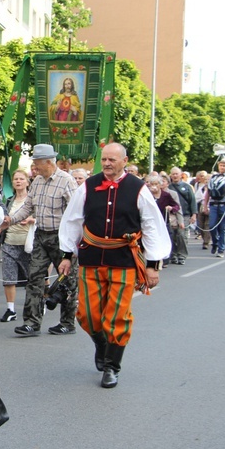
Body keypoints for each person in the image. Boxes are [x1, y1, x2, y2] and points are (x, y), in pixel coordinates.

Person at [58, 143, 170, 388]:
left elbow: (152, 226)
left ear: (124, 161)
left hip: (124, 261)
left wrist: (152, 264)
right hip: (91, 259)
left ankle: (111, 366)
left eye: (112, 160)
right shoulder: (87, 186)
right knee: (87, 314)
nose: (107, 163)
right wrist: (66, 254)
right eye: (104, 159)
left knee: (117, 315)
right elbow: (72, 221)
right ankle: (102, 345)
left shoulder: (138, 188)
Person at [9, 144, 78, 336]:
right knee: (34, 278)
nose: (35, 166)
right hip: (41, 235)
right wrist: (10, 220)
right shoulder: (37, 181)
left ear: (48, 161)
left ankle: (67, 322)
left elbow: (75, 213)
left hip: (62, 238)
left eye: (37, 162)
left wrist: (72, 243)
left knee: (68, 280)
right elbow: (27, 207)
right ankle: (32, 322)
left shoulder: (67, 181)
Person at [0, 170, 34, 322]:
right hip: (9, 243)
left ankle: (35, 305)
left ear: (27, 182)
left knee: (31, 278)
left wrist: (31, 219)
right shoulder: (9, 201)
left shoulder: (33, 200)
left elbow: (41, 216)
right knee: (8, 278)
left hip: (28, 244)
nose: (18, 181)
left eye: (21, 179)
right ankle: (10, 309)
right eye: (15, 179)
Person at [201, 158, 225, 258]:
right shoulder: (213, 177)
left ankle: (221, 249)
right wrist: (205, 206)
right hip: (213, 205)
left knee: (223, 227)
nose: (222, 167)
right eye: (221, 165)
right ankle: (215, 243)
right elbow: (208, 193)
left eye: (224, 165)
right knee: (212, 225)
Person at [193, 171, 211, 250]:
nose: (207, 181)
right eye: (206, 179)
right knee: (201, 225)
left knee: (207, 225)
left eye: (209, 179)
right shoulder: (201, 188)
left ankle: (206, 242)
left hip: (210, 208)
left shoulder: (213, 189)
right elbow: (196, 198)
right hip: (201, 207)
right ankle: (204, 238)